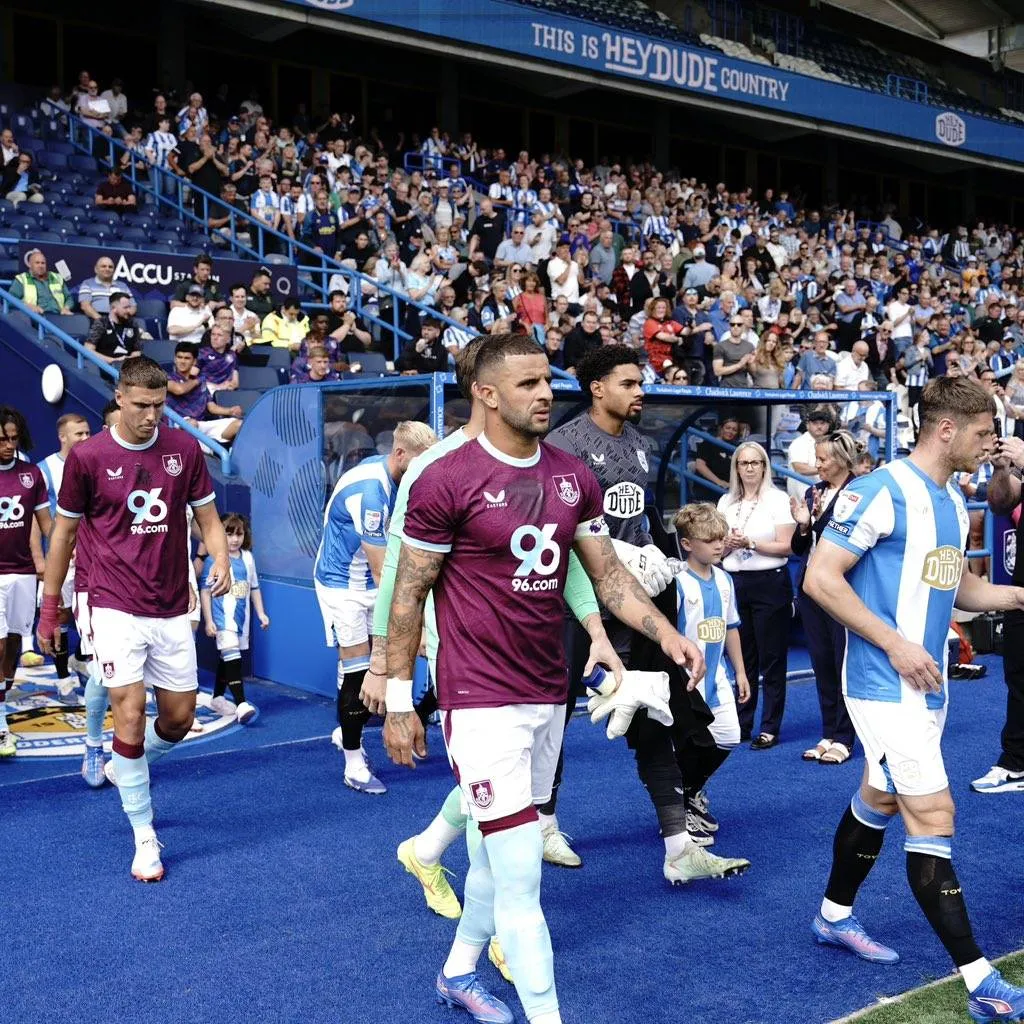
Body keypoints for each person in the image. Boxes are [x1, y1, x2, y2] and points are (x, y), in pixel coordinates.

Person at [382, 333, 711, 1024]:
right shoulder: (444, 478)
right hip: (478, 699)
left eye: (546, 381)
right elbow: (409, 592)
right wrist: (396, 698)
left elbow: (607, 576)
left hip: (546, 691)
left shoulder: (571, 475)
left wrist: (666, 634)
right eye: (527, 384)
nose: (544, 394)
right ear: (486, 392)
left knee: (493, 860)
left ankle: (457, 973)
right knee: (522, 878)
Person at [803, 376, 1024, 1022]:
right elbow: (820, 577)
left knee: (880, 796)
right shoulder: (880, 490)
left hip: (928, 686)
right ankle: (983, 983)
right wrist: (894, 643)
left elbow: (958, 590)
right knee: (933, 814)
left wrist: (1018, 596)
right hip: (882, 684)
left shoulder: (952, 500)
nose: (991, 445)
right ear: (946, 429)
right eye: (983, 433)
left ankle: (833, 916)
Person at [37, 357, 231, 882]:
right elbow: (63, 534)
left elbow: (209, 519)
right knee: (127, 708)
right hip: (110, 600)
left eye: (159, 406)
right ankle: (145, 836)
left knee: (178, 720)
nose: (150, 416)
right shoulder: (88, 458)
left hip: (170, 603)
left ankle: (126, 764)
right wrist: (51, 606)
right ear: (119, 399)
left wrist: (220, 556)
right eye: (141, 405)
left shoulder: (184, 449)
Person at [314, 422, 438, 794]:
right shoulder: (371, 492)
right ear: (399, 454)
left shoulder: (402, 477)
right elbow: (384, 572)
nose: (426, 471)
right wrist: (415, 623)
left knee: (384, 662)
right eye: (420, 462)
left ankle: (354, 725)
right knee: (362, 673)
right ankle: (353, 764)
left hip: (373, 581)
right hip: (343, 586)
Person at [671, 503, 749, 830]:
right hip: (685, 683)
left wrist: (740, 671)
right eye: (709, 540)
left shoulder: (725, 580)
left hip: (717, 677)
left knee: (729, 736)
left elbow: (731, 627)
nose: (719, 545)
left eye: (721, 538)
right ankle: (680, 807)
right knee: (691, 745)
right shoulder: (677, 582)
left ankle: (688, 791)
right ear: (687, 544)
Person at [718, 441, 795, 748]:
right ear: (736, 468)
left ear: (764, 466)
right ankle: (742, 721)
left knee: (772, 658)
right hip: (735, 582)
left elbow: (788, 546)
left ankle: (770, 726)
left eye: (755, 462)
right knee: (742, 657)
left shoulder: (778, 499)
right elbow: (717, 550)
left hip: (770, 582)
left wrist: (750, 543)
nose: (749, 468)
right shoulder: (726, 501)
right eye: (743, 463)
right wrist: (727, 545)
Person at [790, 430, 859, 765]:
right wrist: (804, 525)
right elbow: (798, 547)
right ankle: (829, 731)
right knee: (821, 662)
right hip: (811, 589)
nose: (817, 465)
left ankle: (845, 737)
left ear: (842, 460)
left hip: (843, 589)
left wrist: (816, 522)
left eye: (822, 459)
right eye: (816, 458)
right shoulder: (812, 492)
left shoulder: (860, 491)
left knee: (843, 662)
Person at [0, 407, 53, 757]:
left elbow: (47, 525)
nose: (8, 445)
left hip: (23, 573)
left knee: (14, 646)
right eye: (2, 439)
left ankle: (2, 704)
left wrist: (71, 550)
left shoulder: (32, 475)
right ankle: (1, 727)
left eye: (13, 438)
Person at [975, 431, 1024, 792]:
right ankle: (1016, 763)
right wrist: (1002, 469)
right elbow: (999, 503)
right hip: (1019, 590)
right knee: (1018, 675)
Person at [37, 413, 92, 699]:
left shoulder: (95, 461)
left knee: (93, 613)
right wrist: (47, 556)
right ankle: (62, 677)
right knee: (61, 615)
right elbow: (38, 518)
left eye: (87, 433)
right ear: (62, 437)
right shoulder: (45, 469)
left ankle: (80, 658)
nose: (85, 438)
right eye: (78, 434)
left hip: (93, 555)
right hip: (63, 557)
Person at [200, 513, 268, 724]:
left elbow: (254, 588)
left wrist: (261, 613)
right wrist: (209, 620)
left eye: (239, 534)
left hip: (241, 620)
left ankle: (218, 697)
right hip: (223, 620)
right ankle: (241, 704)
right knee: (233, 658)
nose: (234, 539)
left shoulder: (248, 558)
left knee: (227, 658)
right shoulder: (214, 559)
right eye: (229, 534)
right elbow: (205, 592)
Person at [165, 344, 243, 446]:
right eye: (179, 357)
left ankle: (212, 450)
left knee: (239, 424)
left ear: (194, 361)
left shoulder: (201, 380)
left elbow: (211, 407)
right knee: (191, 424)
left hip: (201, 424)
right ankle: (206, 451)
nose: (182, 361)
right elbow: (179, 390)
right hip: (180, 424)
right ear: (175, 359)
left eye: (187, 358)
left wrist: (230, 410)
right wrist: (196, 381)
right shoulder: (166, 378)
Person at [788, 408, 835, 500]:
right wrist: (828, 469)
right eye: (815, 423)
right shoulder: (799, 442)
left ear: (828, 425)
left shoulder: (830, 443)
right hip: (803, 494)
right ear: (808, 425)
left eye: (822, 423)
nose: (819, 426)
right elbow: (799, 468)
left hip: (822, 493)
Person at [85, 292, 145, 365]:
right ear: (113, 308)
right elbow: (88, 349)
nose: (129, 310)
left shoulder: (132, 324)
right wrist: (113, 360)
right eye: (125, 307)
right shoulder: (102, 323)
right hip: (106, 366)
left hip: (128, 367)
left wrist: (129, 360)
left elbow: (137, 350)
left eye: (129, 307)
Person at [10, 249, 72, 316]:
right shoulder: (22, 279)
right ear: (30, 265)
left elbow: (69, 298)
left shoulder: (57, 277)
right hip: (35, 317)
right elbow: (10, 300)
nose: (40, 266)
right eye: (37, 263)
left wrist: (66, 308)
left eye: (43, 263)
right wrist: (27, 306)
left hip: (59, 316)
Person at [693, 417, 740, 500]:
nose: (730, 431)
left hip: (727, 491)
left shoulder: (735, 448)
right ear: (721, 429)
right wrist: (719, 482)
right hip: (707, 489)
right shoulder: (708, 444)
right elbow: (700, 466)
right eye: (728, 428)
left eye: (734, 430)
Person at [77, 256, 119, 321]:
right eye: (103, 266)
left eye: (110, 267)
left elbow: (132, 307)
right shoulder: (87, 283)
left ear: (114, 270)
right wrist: (101, 320)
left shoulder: (123, 285)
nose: (107, 269)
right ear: (96, 269)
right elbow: (85, 306)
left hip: (120, 319)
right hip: (97, 319)